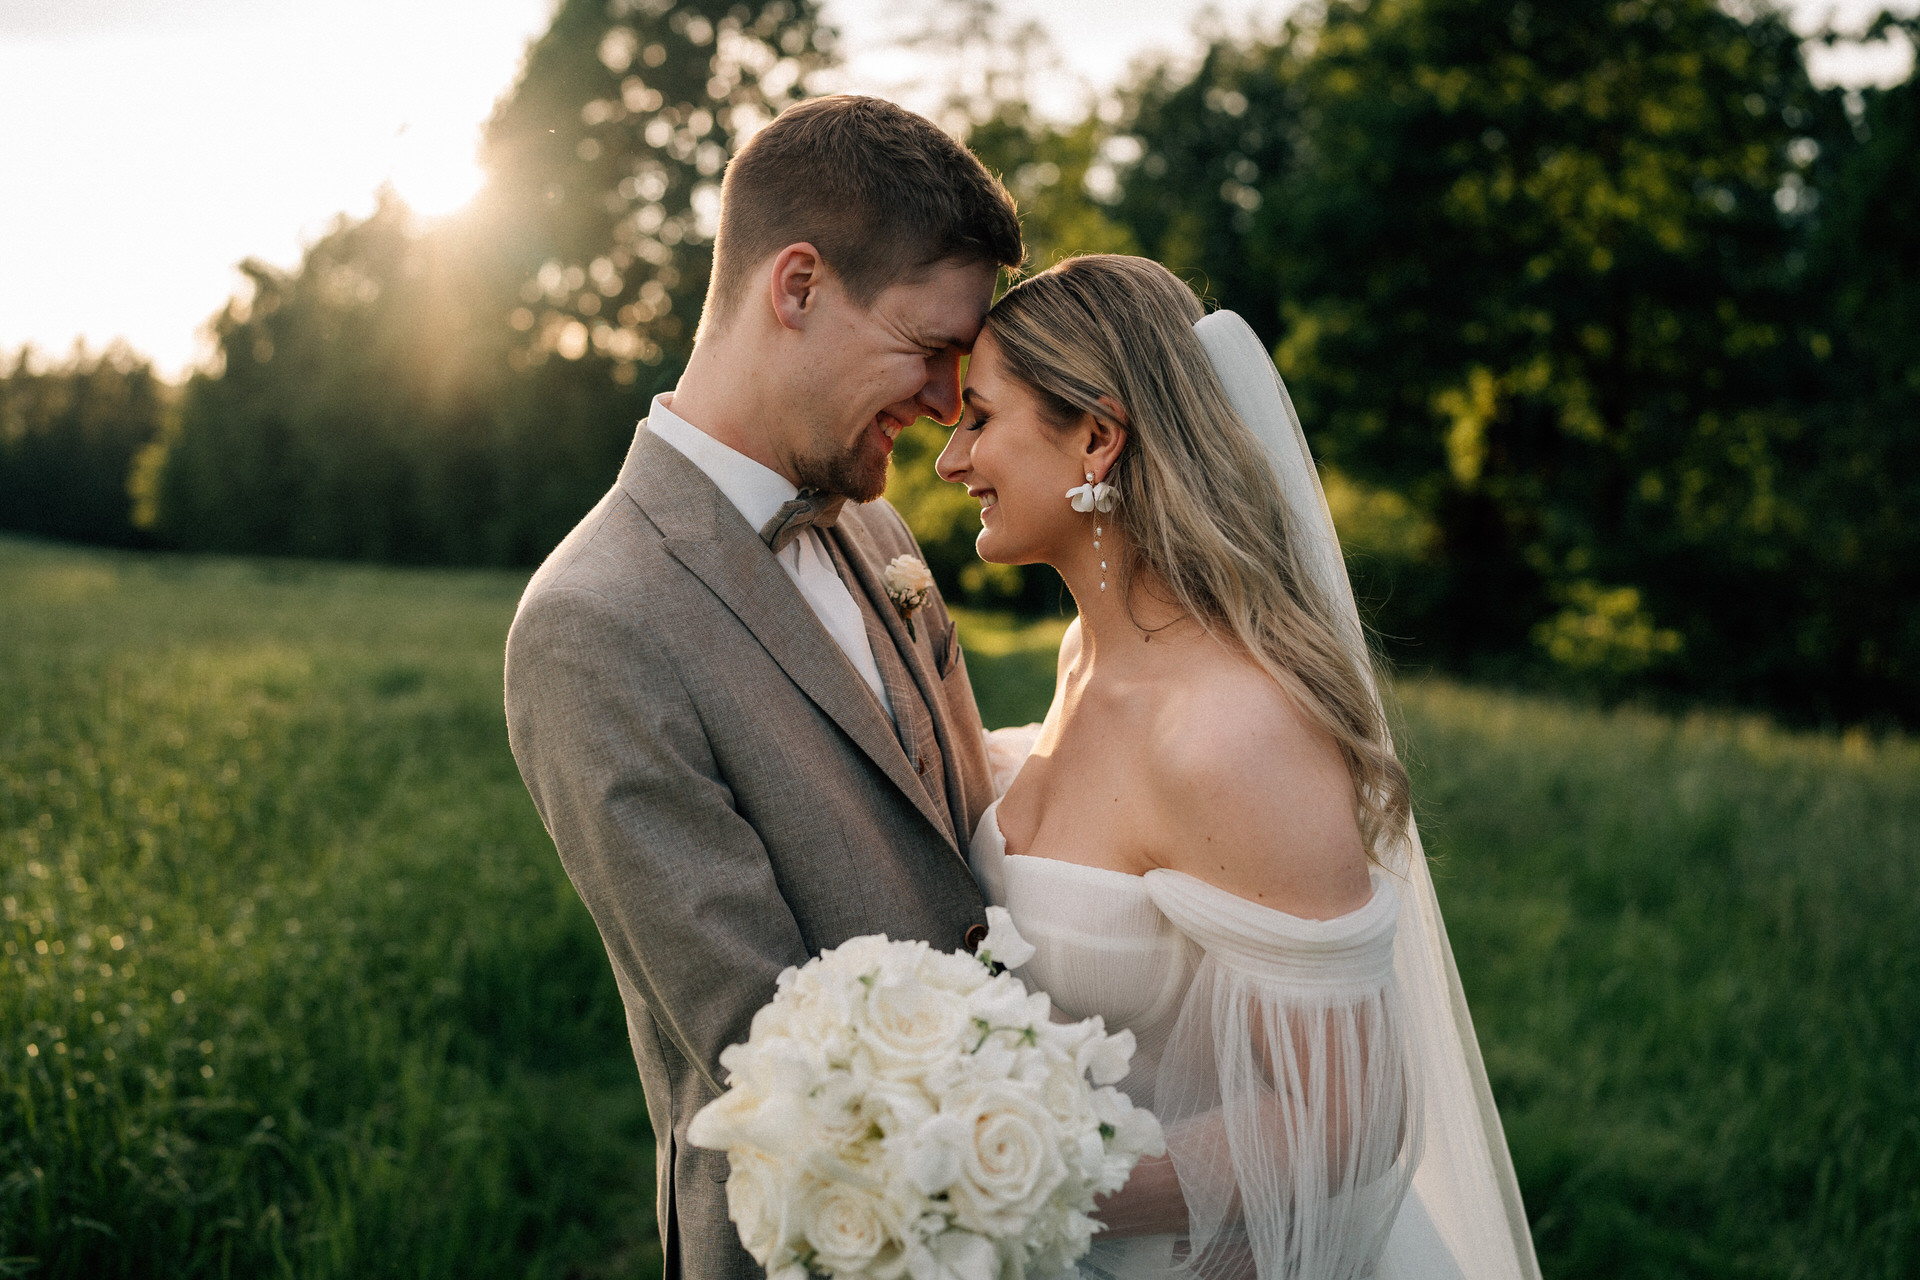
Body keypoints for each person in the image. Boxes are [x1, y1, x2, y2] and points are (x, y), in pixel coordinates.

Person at [938, 255, 1543, 1280]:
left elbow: (1342, 1112)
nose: (951, 460)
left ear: (1097, 435)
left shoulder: (1230, 729)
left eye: (979, 418)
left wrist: (1007, 1178)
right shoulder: (1092, 655)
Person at [503, 96, 1024, 1280]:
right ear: (797, 287)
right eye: (930, 346)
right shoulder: (592, 623)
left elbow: (964, 825)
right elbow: (765, 1046)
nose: (951, 401)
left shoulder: (878, 521)